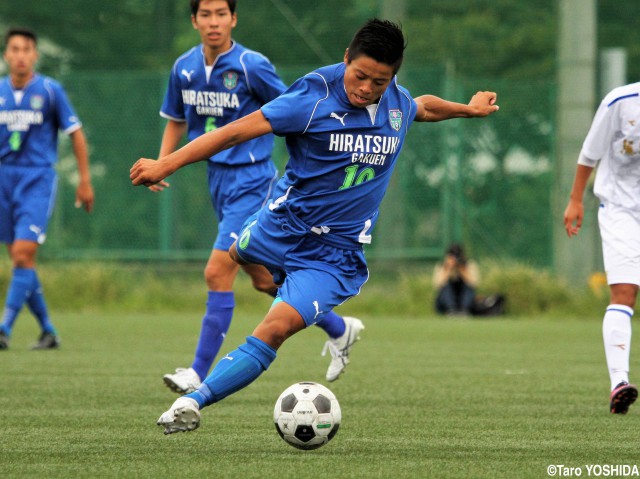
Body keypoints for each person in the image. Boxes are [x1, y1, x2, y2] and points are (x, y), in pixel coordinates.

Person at [130, 18, 499, 434]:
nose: (366, 88)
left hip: (335, 254)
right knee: (242, 262)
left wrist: (468, 109)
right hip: (280, 224)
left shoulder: (396, 102)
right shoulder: (310, 98)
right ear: (346, 58)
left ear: (392, 77)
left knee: (275, 326)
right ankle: (338, 328)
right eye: (360, 76)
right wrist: (166, 163)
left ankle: (192, 401)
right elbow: (234, 132)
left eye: (379, 81)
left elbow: (424, 106)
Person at [154, 0, 361, 394]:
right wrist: (164, 163)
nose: (213, 22)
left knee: (217, 271)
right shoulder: (183, 68)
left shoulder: (253, 65)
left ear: (233, 18)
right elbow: (178, 119)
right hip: (217, 180)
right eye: (205, 14)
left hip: (254, 181)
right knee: (265, 280)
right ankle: (340, 328)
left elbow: (293, 112)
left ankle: (197, 372)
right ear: (194, 20)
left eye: (221, 14)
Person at [0, 28, 94, 350]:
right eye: (15, 49)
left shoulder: (51, 91)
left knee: (24, 253)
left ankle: (4, 328)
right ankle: (48, 331)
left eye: (27, 49)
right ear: (6, 55)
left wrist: (84, 180)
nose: (21, 55)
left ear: (35, 55)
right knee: (20, 259)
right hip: (3, 179)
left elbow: (76, 133)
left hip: (37, 179)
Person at [564, 82, 640, 415]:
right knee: (624, 293)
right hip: (621, 209)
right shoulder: (621, 101)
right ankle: (619, 383)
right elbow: (590, 153)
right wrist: (575, 199)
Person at [433, 243, 480, 315]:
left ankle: (465, 310)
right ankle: (451, 309)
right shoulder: (441, 266)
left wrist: (462, 270)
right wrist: (448, 269)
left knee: (468, 287)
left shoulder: (469, 265)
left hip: (463, 298)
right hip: (446, 300)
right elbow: (438, 285)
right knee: (446, 287)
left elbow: (474, 283)